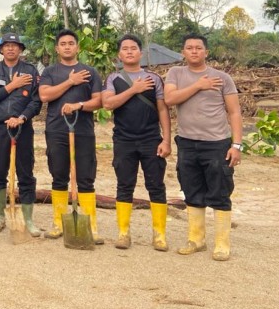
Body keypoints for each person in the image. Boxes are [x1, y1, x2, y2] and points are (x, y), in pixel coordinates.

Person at [164, 34, 243, 262]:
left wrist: (236, 145)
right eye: (189, 48)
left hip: (217, 144)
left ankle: (222, 243)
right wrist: (199, 85)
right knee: (191, 190)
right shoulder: (176, 73)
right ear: (183, 52)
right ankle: (196, 239)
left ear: (206, 52)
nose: (194, 51)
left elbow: (234, 112)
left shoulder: (222, 78)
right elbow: (170, 99)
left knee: (220, 191)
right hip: (187, 142)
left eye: (198, 48)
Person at [102, 34, 171, 251]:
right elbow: (108, 104)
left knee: (156, 185)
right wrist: (134, 89)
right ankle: (123, 233)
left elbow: (162, 109)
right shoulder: (113, 78)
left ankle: (159, 235)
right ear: (119, 55)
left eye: (134, 48)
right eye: (125, 48)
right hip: (124, 140)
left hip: (151, 139)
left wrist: (166, 140)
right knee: (124, 185)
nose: (130, 51)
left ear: (141, 53)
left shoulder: (154, 79)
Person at [38, 29, 104, 244]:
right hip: (56, 130)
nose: (67, 47)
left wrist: (79, 105)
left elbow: (98, 101)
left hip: (83, 131)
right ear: (57, 49)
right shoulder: (50, 71)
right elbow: (44, 95)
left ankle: (90, 225)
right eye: (63, 44)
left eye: (71, 43)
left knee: (86, 177)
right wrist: (70, 81)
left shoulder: (90, 72)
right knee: (59, 175)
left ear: (78, 47)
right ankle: (59, 223)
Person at [0, 33, 42, 236]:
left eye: (15, 45)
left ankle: (28, 218)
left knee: (26, 172)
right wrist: (11, 86)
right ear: (1, 49)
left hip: (22, 128)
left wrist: (22, 117)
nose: (10, 48)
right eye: (6, 45)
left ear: (20, 49)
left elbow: (36, 101)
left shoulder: (30, 71)